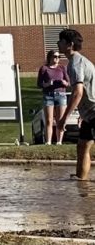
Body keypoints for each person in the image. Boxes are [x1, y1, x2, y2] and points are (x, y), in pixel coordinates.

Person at [55, 29, 95, 179]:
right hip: (89, 114)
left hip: (94, 111)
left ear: (69, 45)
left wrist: (64, 118)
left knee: (84, 147)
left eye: (61, 41)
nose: (58, 43)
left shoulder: (76, 63)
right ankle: (81, 181)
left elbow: (78, 92)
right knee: (82, 146)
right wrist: (82, 114)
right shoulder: (76, 62)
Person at [38, 50, 70, 145]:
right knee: (49, 120)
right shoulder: (44, 68)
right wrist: (47, 84)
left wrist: (64, 83)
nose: (57, 59)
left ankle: (59, 141)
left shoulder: (62, 68)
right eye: (55, 56)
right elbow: (39, 84)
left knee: (60, 119)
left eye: (58, 57)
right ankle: (48, 141)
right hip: (48, 95)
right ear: (50, 57)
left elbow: (68, 82)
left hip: (61, 95)